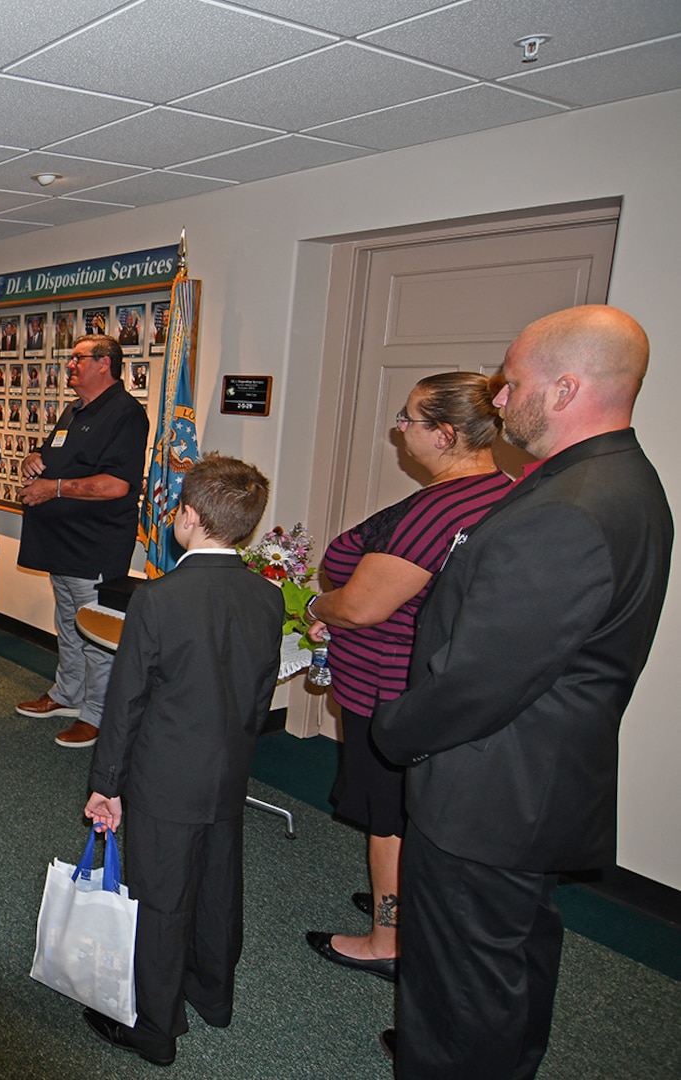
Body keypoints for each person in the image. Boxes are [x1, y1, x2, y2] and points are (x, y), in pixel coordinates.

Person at [372, 305, 672, 1076]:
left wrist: (395, 730)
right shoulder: (620, 478)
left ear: (567, 387)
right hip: (539, 783)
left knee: (458, 989)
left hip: (490, 791)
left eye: (513, 382)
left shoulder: (569, 510)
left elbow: (481, 681)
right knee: (510, 961)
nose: (498, 399)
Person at [301, 373, 512, 982]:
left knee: (387, 817)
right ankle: (408, 908)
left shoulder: (440, 506)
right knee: (413, 809)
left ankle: (386, 938)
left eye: (408, 419)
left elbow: (364, 606)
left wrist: (318, 610)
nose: (400, 428)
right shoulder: (499, 489)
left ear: (444, 435)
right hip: (424, 685)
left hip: (387, 689)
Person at [81, 454, 284, 1067]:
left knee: (160, 897)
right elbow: (257, 694)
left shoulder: (158, 600)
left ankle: (153, 1029)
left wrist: (106, 785)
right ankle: (212, 993)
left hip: (163, 775)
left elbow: (126, 704)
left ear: (188, 517)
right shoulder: (267, 596)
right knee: (218, 884)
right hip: (227, 769)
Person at [14, 335, 150, 747]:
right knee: (69, 624)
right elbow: (59, 455)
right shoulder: (75, 409)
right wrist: (31, 459)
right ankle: (67, 694)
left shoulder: (126, 414)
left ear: (105, 363)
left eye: (78, 358)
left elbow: (115, 485)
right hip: (60, 540)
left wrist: (52, 489)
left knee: (96, 630)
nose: (69, 365)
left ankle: (96, 715)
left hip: (95, 543)